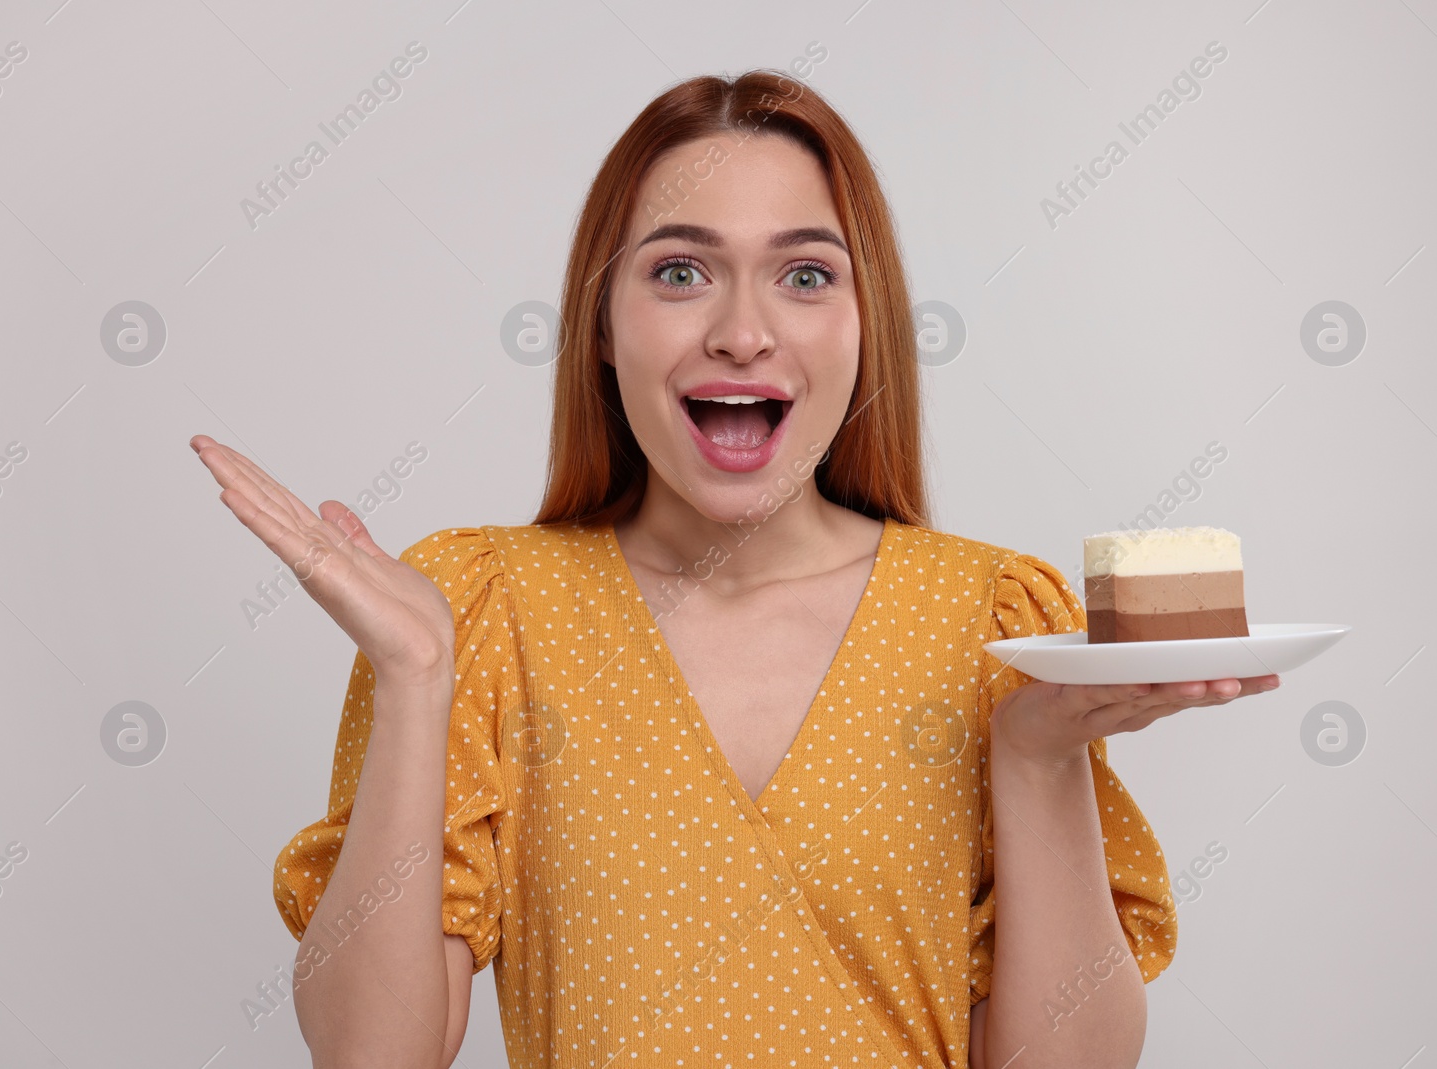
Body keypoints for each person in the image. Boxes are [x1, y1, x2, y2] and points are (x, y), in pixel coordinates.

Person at [192, 69, 1277, 1069]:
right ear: (603, 326)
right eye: (679, 272)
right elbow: (372, 1057)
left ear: (866, 327)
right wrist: (419, 678)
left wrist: (1036, 758)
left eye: (805, 274)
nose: (743, 332)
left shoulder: (993, 622)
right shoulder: (480, 610)